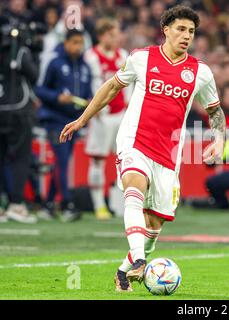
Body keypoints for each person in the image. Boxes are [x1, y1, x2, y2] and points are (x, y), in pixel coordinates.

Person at [59, 5, 225, 292]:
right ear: (166, 29)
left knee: (155, 223)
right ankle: (138, 260)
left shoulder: (201, 72)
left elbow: (215, 111)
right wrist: (82, 119)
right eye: (181, 29)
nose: (186, 36)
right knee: (133, 189)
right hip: (134, 140)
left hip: (169, 153)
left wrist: (220, 139)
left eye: (191, 31)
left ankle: (124, 271)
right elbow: (111, 88)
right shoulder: (141, 58)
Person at [35, 28, 93, 222]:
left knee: (63, 161)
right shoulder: (55, 63)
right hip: (55, 119)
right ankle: (67, 205)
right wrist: (57, 97)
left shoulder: (85, 66)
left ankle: (49, 204)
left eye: (81, 43)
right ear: (66, 43)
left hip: (74, 122)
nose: (78, 47)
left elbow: (88, 93)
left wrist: (89, 100)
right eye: (75, 42)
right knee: (61, 161)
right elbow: (40, 89)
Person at [83, 18, 129, 220]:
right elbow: (89, 84)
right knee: (97, 160)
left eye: (117, 33)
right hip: (101, 116)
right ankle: (99, 205)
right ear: (101, 35)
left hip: (121, 114)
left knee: (124, 161)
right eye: (112, 34)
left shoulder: (123, 56)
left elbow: (130, 84)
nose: (116, 37)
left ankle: (119, 204)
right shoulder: (91, 56)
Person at [0, 15, 39, 223]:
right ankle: (16, 204)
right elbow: (34, 75)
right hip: (18, 109)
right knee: (20, 158)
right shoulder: (21, 50)